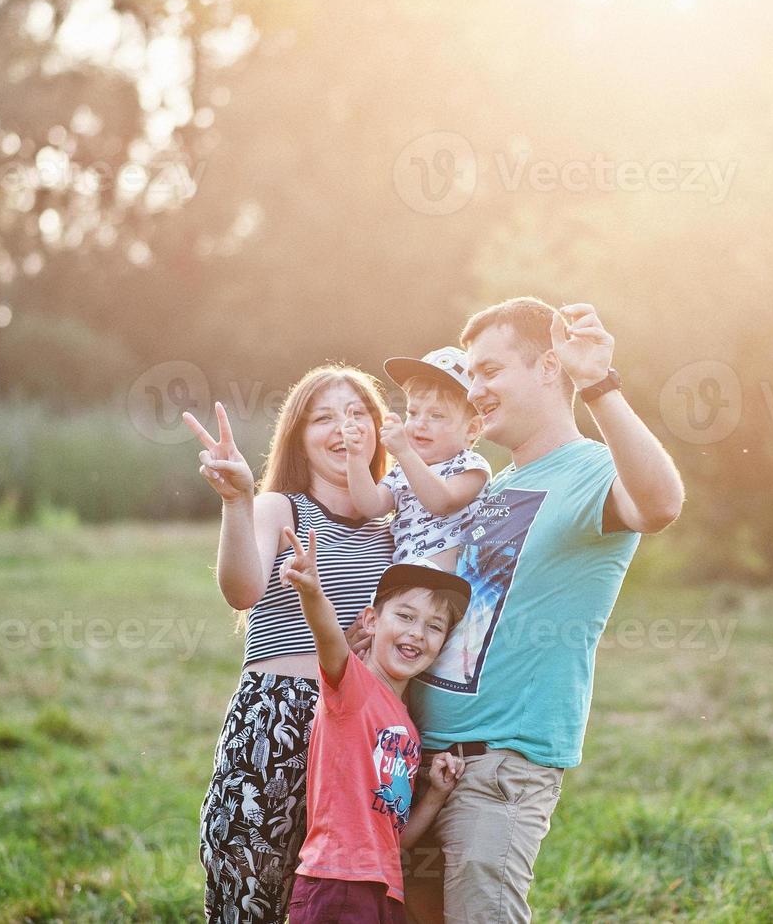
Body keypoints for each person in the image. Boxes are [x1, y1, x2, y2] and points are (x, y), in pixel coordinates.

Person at [403, 298, 685, 923]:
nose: (474, 390)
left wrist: (601, 386)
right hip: (423, 765)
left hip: (497, 771)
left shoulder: (589, 473)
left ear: (549, 367)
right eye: (471, 375)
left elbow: (661, 504)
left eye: (490, 371)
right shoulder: (494, 486)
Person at [186, 365, 396, 924]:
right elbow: (242, 589)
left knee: (344, 907)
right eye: (324, 417)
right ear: (300, 437)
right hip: (277, 721)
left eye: (358, 414)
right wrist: (237, 501)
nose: (345, 428)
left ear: (378, 430)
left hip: (362, 737)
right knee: (251, 894)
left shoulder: (396, 526)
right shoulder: (282, 508)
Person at [279, 527, 471, 924]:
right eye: (405, 616)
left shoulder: (408, 730)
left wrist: (435, 795)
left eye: (435, 626)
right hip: (335, 882)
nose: (417, 633)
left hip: (385, 888)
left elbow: (392, 839)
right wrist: (312, 593)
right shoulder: (352, 686)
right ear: (370, 621)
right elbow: (328, 637)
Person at [342, 346, 490, 571]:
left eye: (437, 415)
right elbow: (370, 506)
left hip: (451, 583)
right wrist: (355, 457)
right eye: (412, 412)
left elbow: (442, 502)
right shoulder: (401, 471)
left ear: (472, 429)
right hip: (406, 578)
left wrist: (404, 452)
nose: (420, 423)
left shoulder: (470, 466)